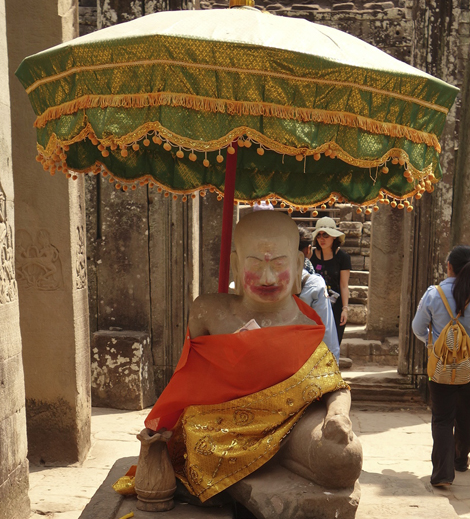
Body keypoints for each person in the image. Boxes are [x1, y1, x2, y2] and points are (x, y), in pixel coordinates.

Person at [143, 208, 362, 502]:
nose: (267, 277)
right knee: (193, 437)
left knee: (344, 458)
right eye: (255, 264)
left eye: (279, 263)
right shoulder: (209, 312)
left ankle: (264, 476)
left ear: (299, 265)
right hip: (218, 427)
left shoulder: (306, 325)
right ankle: (255, 488)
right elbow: (189, 382)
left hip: (289, 428)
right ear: (235, 264)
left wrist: (337, 415)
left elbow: (334, 385)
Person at [411, 245, 470, 488]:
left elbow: (418, 329)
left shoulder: (433, 294)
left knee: (442, 418)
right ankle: (461, 459)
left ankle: (442, 474)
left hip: (441, 367)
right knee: (464, 413)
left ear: (448, 266)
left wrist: (436, 343)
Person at [311, 217, 352, 345]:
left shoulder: (343, 257)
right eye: (319, 235)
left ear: (334, 237)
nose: (321, 239)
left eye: (326, 235)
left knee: (333, 345)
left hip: (335, 307)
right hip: (314, 306)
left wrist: (345, 309)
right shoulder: (310, 255)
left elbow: (344, 285)